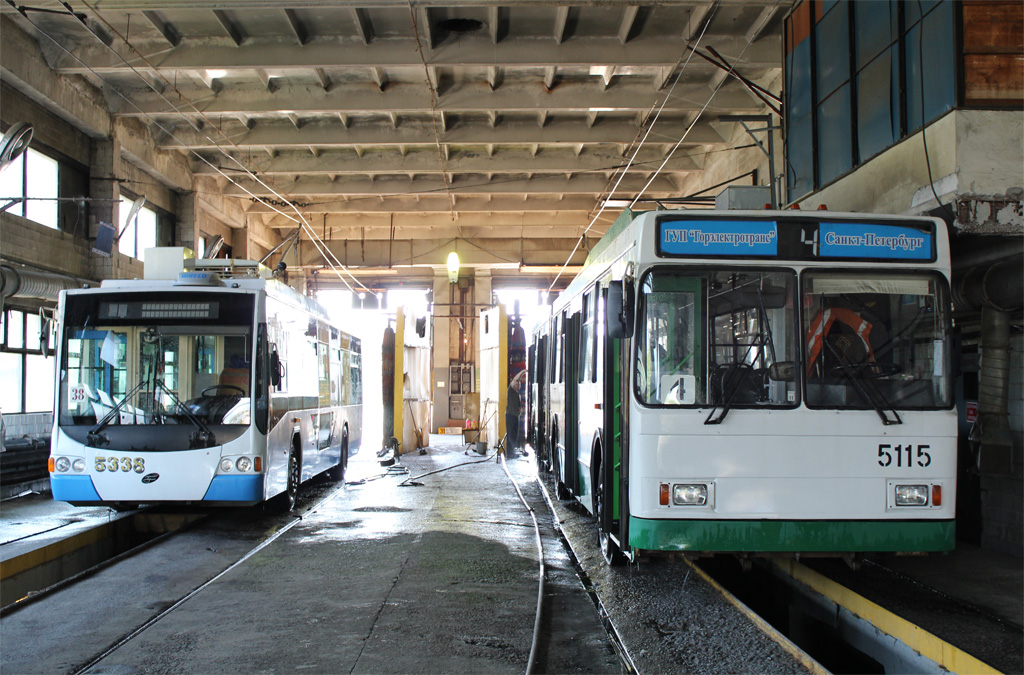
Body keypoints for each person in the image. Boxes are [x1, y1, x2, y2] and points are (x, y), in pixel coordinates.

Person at [505, 370, 526, 457]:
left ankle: (512, 452)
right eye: (517, 384)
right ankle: (509, 453)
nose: (518, 385)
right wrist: (523, 372)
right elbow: (515, 379)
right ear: (513, 385)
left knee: (514, 434)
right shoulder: (510, 391)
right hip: (510, 416)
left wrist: (520, 410)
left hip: (515, 416)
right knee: (510, 434)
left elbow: (516, 406)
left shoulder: (517, 395)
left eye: (519, 384)